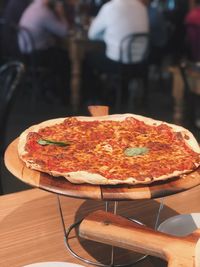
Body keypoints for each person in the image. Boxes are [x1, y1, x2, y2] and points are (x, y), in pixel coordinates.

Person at [82, 0, 149, 105]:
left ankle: (94, 97)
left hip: (118, 64)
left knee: (86, 58)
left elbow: (92, 35)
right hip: (140, 64)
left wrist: (107, 36)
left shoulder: (110, 7)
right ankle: (118, 92)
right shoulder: (141, 7)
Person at [18, 0, 71, 104]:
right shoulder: (44, 12)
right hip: (36, 56)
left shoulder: (33, 7)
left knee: (58, 52)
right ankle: (64, 96)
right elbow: (64, 31)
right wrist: (61, 14)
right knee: (66, 57)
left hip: (25, 54)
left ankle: (53, 89)